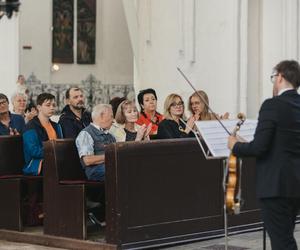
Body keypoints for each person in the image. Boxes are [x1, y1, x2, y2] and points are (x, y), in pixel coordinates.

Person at [227, 60, 300, 250]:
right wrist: (246, 143)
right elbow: (282, 143)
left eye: (273, 77)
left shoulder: (272, 105)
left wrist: (235, 146)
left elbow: (259, 148)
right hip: (295, 185)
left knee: (282, 243)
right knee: (285, 235)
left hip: (275, 186)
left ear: (280, 77)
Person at [23, 93, 63, 175]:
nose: (52, 108)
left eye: (53, 105)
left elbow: (61, 145)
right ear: (39, 107)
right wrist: (54, 154)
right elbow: (33, 151)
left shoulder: (56, 126)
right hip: (36, 163)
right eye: (48, 105)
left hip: (55, 160)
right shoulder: (30, 126)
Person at [75, 104, 115, 181]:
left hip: (109, 168)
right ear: (102, 116)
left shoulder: (111, 136)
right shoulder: (86, 134)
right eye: (111, 116)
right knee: (122, 170)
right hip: (95, 171)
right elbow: (87, 160)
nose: (113, 120)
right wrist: (112, 156)